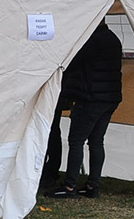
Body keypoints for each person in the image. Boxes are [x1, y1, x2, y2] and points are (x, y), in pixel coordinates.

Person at [51, 21, 124, 199]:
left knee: (76, 141)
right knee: (97, 141)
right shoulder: (113, 39)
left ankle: (69, 186)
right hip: (110, 98)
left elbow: (70, 62)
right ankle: (93, 186)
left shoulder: (90, 41)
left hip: (90, 99)